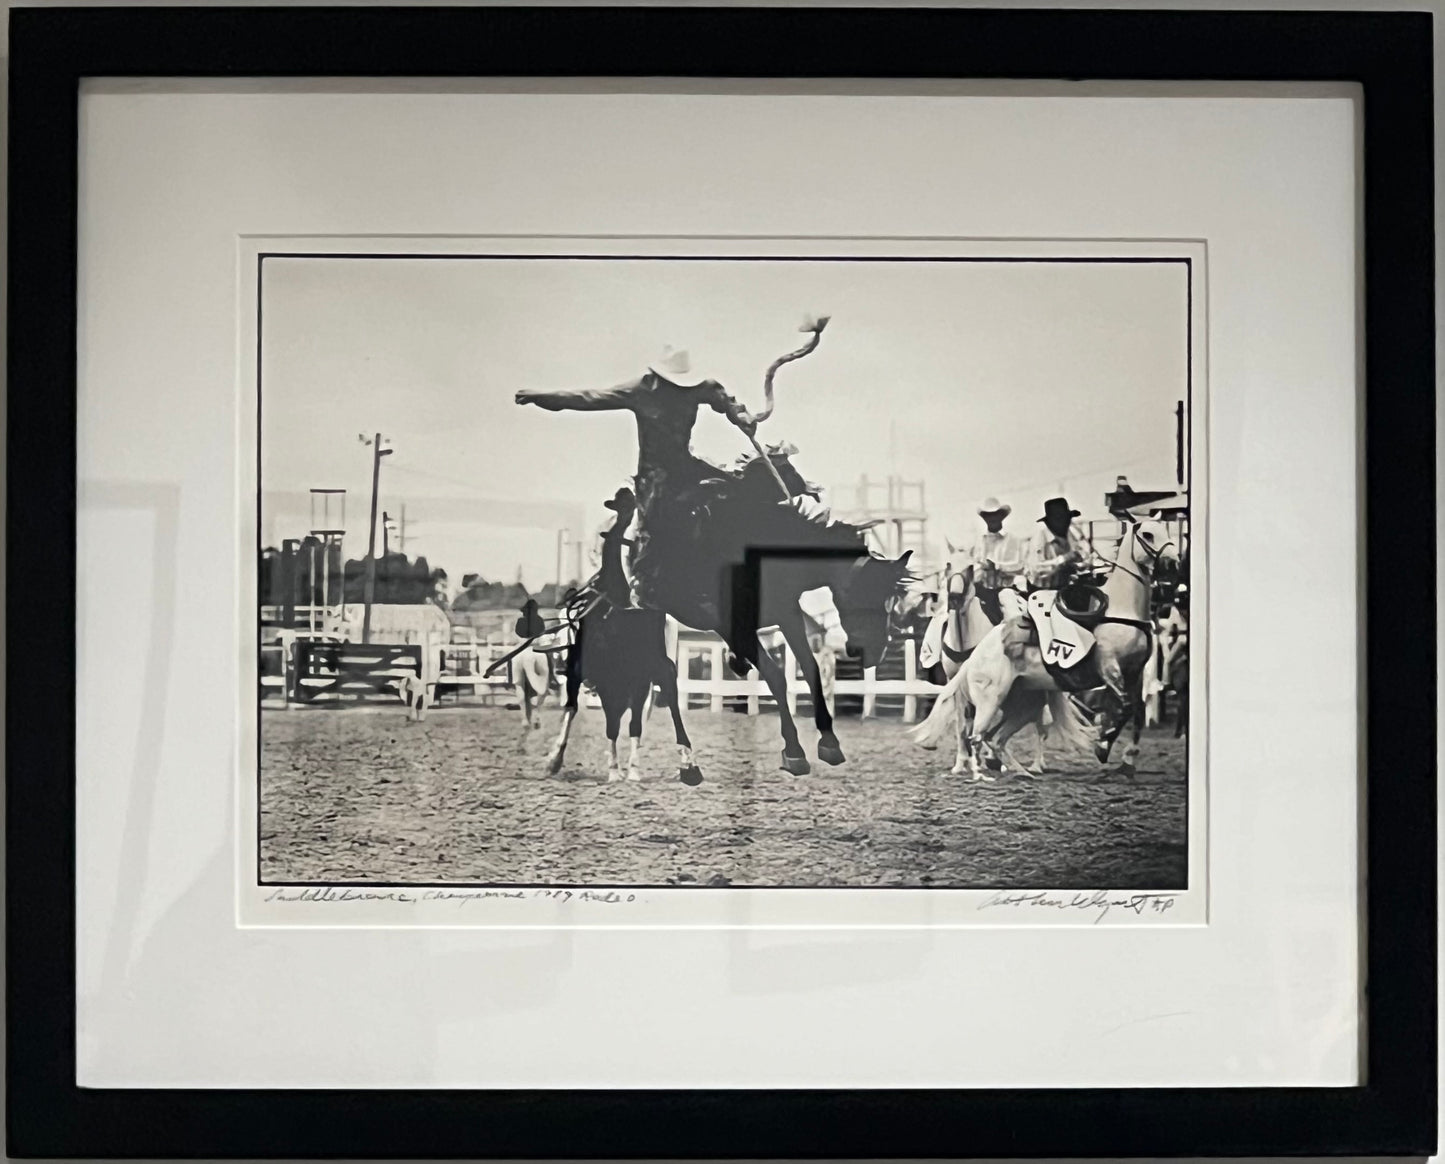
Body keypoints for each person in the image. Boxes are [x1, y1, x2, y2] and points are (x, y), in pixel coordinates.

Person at [959, 496, 1025, 623]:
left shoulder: (1013, 540)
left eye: (995, 515)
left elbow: (1019, 566)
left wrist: (996, 567)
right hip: (981, 591)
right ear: (984, 518)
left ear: (1001, 516)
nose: (992, 518)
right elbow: (971, 565)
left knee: (1013, 617)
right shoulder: (978, 541)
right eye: (988, 516)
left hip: (1005, 589)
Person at [1027, 496, 1089, 591]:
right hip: (1041, 591)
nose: (1066, 522)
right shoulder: (1039, 539)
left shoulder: (1072, 534)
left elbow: (1084, 555)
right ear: (1049, 522)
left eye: (1067, 518)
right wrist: (1064, 559)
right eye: (1059, 519)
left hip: (1064, 588)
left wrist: (1079, 563)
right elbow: (1037, 570)